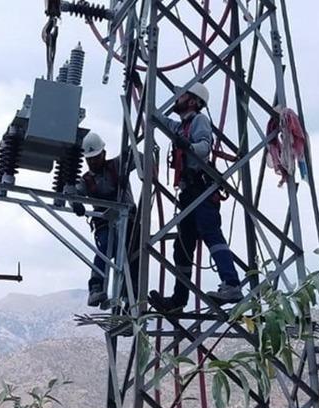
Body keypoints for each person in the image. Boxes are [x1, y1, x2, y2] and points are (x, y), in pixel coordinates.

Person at [150, 82, 243, 311]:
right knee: (182, 247)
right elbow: (158, 119)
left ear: (192, 100)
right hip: (189, 194)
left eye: (181, 96)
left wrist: (187, 145)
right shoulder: (181, 126)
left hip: (201, 189)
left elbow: (204, 147)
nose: (177, 99)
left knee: (211, 235)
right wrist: (143, 92)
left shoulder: (199, 121)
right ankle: (178, 301)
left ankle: (231, 284)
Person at [72, 131, 138, 307]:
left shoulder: (118, 165)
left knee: (132, 260)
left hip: (129, 221)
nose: (92, 162)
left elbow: (139, 156)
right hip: (105, 224)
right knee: (104, 249)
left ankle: (129, 299)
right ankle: (96, 288)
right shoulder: (86, 180)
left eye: (95, 157)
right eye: (89, 159)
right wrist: (75, 202)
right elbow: (75, 191)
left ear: (104, 154)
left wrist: (140, 139)